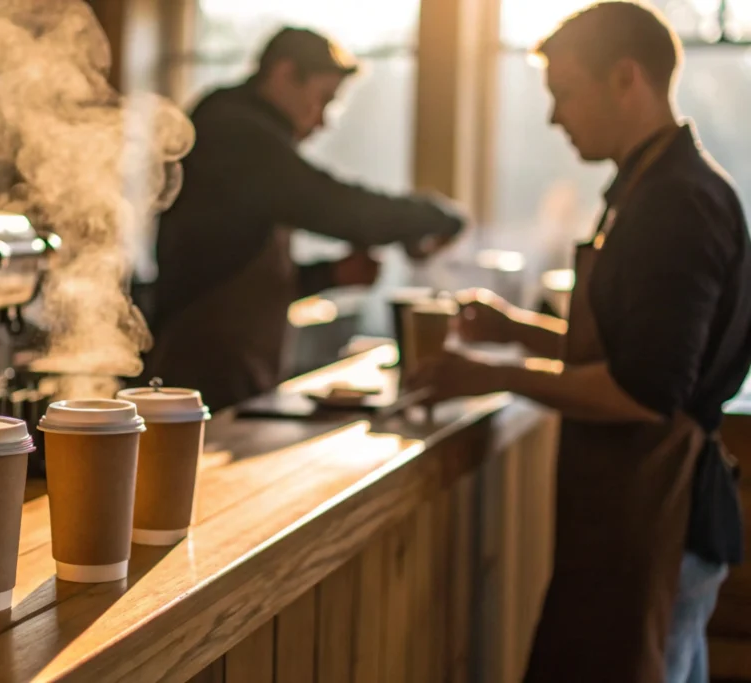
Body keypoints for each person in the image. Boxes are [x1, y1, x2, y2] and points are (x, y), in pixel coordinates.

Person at [407, 3, 751, 682]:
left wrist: (493, 374)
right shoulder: (645, 187)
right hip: (634, 516)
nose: (553, 117)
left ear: (626, 79)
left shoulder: (676, 203)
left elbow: (642, 391)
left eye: (565, 93)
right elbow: (633, 349)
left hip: (664, 519)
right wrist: (515, 330)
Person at [146, 27, 466, 411]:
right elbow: (336, 208)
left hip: (233, 370)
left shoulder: (243, 136)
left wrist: (331, 275)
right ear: (285, 74)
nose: (323, 121)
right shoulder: (234, 132)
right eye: (323, 99)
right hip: (202, 371)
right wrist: (437, 217)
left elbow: (234, 272)